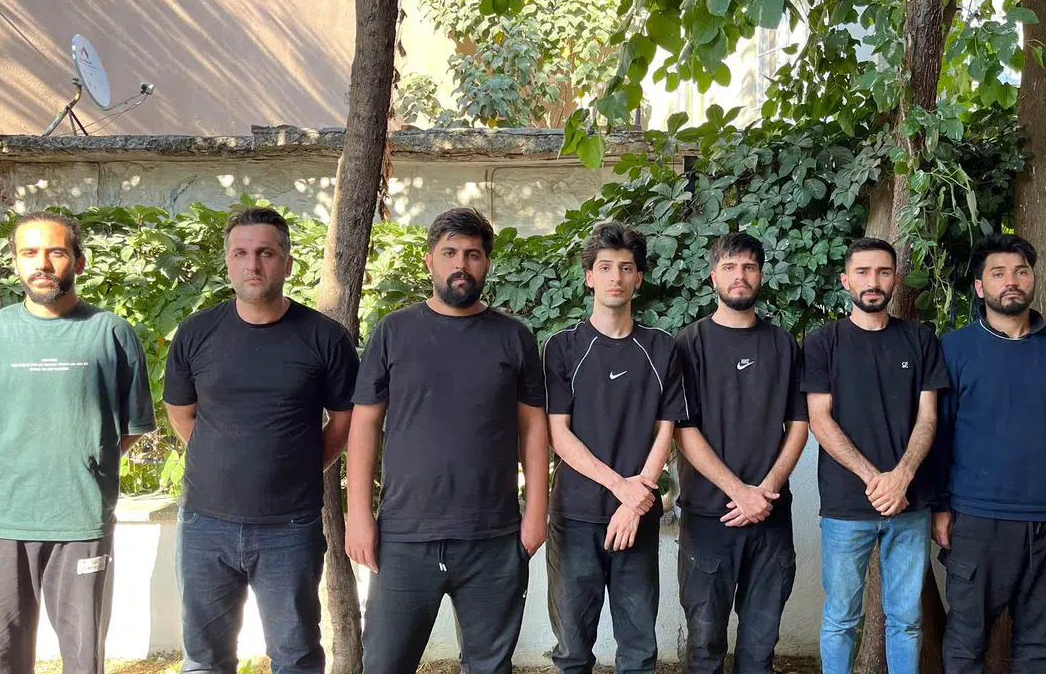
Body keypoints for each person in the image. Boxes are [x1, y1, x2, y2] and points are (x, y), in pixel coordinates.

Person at [0, 211, 156, 674]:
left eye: (55, 252)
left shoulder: (112, 333)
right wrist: (13, 459)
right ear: (16, 263)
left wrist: (83, 461)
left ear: (78, 262)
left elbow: (128, 428)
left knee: (83, 656)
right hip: (3, 520)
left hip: (81, 520)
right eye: (29, 253)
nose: (41, 264)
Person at [345, 207, 549, 674]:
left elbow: (534, 427)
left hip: (493, 538)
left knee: (490, 667)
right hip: (404, 536)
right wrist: (359, 514)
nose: (461, 264)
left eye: (473, 254)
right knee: (384, 664)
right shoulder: (394, 331)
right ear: (430, 262)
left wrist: (537, 513)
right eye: (450, 253)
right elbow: (364, 425)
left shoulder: (514, 337)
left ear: (487, 263)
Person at [164, 206, 359, 674]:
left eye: (266, 253)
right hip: (204, 524)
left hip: (289, 527)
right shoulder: (196, 332)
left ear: (287, 263)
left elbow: (345, 421)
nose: (253, 264)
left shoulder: (326, 338)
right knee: (205, 658)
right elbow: (182, 414)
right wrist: (224, 460)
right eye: (241, 253)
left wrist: (298, 465)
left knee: (295, 656)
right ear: (228, 262)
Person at [930, 233, 1046, 674]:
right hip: (978, 516)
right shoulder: (955, 348)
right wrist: (940, 507)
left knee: (1041, 641)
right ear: (980, 286)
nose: (1012, 282)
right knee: (966, 639)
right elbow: (939, 434)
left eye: (1021, 272)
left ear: (1033, 279)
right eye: (998, 273)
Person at [542, 222, 687, 674]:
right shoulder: (562, 347)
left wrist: (635, 499)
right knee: (572, 651)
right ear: (589, 277)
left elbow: (667, 430)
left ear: (638, 278)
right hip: (576, 517)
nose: (615, 277)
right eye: (605, 267)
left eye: (626, 268)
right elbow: (559, 434)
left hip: (637, 518)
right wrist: (622, 488)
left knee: (639, 651)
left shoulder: (661, 347)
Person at [802, 238, 949, 674]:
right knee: (841, 618)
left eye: (883, 272)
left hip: (910, 503)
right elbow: (820, 420)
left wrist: (901, 478)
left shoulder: (920, 339)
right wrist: (876, 479)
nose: (873, 281)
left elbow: (928, 417)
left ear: (895, 279)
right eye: (863, 272)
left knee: (906, 620)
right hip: (846, 506)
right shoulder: (822, 342)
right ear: (845, 280)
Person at [673, 232, 809, 674]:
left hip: (770, 516)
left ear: (761, 275)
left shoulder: (783, 345)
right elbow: (682, 430)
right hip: (708, 518)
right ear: (714, 276)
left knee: (760, 648)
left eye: (749, 267)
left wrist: (764, 491)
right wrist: (739, 492)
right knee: (704, 646)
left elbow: (799, 424)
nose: (740, 276)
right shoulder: (688, 344)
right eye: (730, 267)